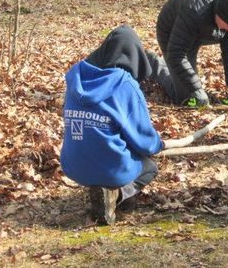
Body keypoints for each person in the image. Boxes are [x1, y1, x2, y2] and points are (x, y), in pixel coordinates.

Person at [60, 25, 171, 225]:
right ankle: (117, 195)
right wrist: (158, 145)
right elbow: (144, 140)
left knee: (104, 140)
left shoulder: (76, 78)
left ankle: (101, 186)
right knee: (149, 167)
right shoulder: (125, 85)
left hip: (72, 165)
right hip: (110, 167)